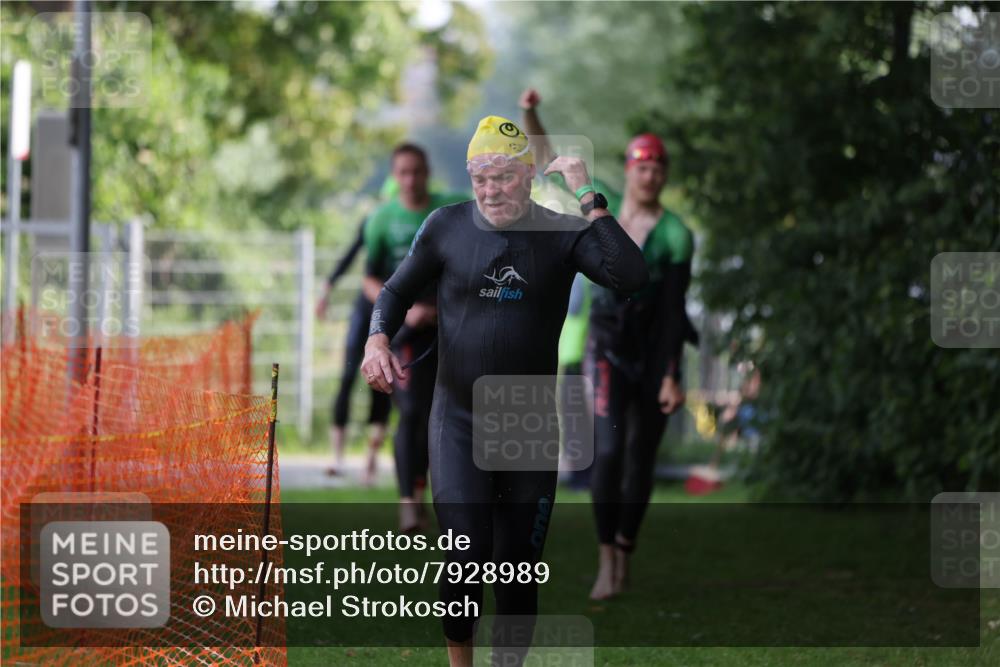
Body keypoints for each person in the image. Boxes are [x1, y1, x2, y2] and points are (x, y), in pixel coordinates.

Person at [361, 115, 647, 667]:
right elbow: (394, 292)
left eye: (504, 177)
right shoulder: (446, 226)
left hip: (528, 427)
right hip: (458, 420)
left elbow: (631, 276)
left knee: (517, 569)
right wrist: (377, 340)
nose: (491, 190)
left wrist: (588, 196)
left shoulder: (562, 234)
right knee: (465, 554)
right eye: (481, 179)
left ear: (529, 175)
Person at [520, 88, 698, 600]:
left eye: (658, 168)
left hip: (653, 349)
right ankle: (605, 560)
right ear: (629, 170)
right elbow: (551, 162)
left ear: (665, 175)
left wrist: (672, 374)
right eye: (642, 167)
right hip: (606, 343)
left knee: (641, 457)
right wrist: (530, 113)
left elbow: (674, 310)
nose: (650, 175)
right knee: (609, 449)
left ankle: (625, 548)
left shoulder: (676, 235)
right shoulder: (604, 206)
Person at [361, 143, 467, 531]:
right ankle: (409, 501)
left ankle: (449, 500)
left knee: (448, 413)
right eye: (403, 173)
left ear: (427, 173)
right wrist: (404, 311)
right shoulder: (381, 220)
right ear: (395, 176)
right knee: (410, 414)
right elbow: (369, 280)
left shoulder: (448, 211)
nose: (410, 180)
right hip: (406, 332)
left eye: (416, 171)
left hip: (452, 330)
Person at [316, 206, 392, 484]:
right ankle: (337, 457)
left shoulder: (415, 226)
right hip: (365, 310)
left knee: (383, 382)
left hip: (393, 312)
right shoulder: (374, 221)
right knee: (347, 377)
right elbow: (350, 255)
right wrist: (327, 288)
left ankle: (370, 461)